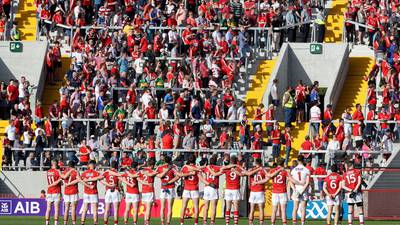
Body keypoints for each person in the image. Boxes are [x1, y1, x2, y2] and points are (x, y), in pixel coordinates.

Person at [177, 154, 200, 225]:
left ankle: (181, 223)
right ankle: (196, 223)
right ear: (195, 160)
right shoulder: (196, 167)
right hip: (194, 188)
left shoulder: (185, 168)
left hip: (186, 189)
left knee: (183, 206)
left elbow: (179, 174)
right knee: (196, 206)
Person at [156, 155, 179, 225]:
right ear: (170, 160)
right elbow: (178, 176)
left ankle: (162, 223)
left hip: (163, 188)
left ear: (164, 160)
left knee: (162, 207)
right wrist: (169, 182)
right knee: (169, 207)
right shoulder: (174, 167)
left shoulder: (159, 167)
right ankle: (168, 223)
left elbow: (158, 176)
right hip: (170, 188)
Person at [200, 155, 222, 225]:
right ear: (216, 162)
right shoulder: (218, 167)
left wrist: (205, 166)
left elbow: (199, 169)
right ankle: (212, 222)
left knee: (206, 206)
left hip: (207, 187)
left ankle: (204, 221)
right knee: (213, 207)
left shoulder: (206, 168)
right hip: (213, 188)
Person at [80, 160, 103, 225]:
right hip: (93, 192)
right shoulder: (96, 173)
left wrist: (87, 182)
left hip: (86, 192)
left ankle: (82, 223)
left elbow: (81, 180)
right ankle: (95, 223)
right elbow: (101, 177)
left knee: (85, 208)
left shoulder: (84, 173)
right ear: (94, 165)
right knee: (95, 209)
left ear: (89, 165)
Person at [290, 155, 311, 225]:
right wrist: (303, 190)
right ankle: (302, 223)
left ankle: (294, 223)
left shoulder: (293, 170)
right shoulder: (306, 170)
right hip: (303, 189)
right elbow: (307, 182)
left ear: (298, 160)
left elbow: (291, 181)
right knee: (303, 208)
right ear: (304, 160)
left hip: (296, 189)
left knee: (295, 208)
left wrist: (294, 190)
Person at [342, 160, 364, 225]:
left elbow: (343, 186)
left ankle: (350, 223)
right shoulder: (357, 171)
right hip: (357, 193)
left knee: (350, 209)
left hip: (349, 193)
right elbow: (359, 182)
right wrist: (355, 190)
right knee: (360, 209)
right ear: (352, 165)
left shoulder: (345, 174)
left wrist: (351, 190)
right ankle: (361, 223)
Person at [119, 161, 141, 225]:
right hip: (135, 192)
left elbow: (120, 177)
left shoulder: (127, 173)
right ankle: (134, 223)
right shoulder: (137, 173)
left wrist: (125, 182)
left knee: (127, 209)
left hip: (128, 192)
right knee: (135, 209)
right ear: (136, 166)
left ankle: (125, 223)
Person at [102, 161, 122, 225]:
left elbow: (100, 179)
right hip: (115, 190)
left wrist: (108, 184)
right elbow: (119, 184)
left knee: (107, 209)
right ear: (116, 166)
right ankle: (115, 224)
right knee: (116, 210)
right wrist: (122, 191)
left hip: (108, 190)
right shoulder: (117, 173)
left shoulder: (107, 172)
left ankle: (105, 223)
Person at [139, 158, 157, 225]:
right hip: (149, 191)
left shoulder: (143, 171)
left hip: (144, 191)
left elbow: (139, 179)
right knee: (148, 209)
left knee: (146, 208)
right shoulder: (151, 171)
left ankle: (145, 223)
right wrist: (154, 194)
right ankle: (147, 223)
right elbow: (151, 185)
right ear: (152, 165)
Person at [62, 161, 81, 225]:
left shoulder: (65, 171)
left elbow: (63, 179)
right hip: (74, 191)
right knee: (73, 208)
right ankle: (74, 223)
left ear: (68, 165)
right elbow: (78, 180)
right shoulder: (75, 171)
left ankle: (65, 223)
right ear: (74, 165)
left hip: (66, 191)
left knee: (66, 208)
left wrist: (67, 184)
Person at [45, 160, 62, 225]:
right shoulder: (57, 171)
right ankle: (55, 223)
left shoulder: (48, 171)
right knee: (56, 209)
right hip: (56, 191)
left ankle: (47, 223)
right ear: (56, 164)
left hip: (49, 191)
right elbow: (60, 181)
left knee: (48, 208)